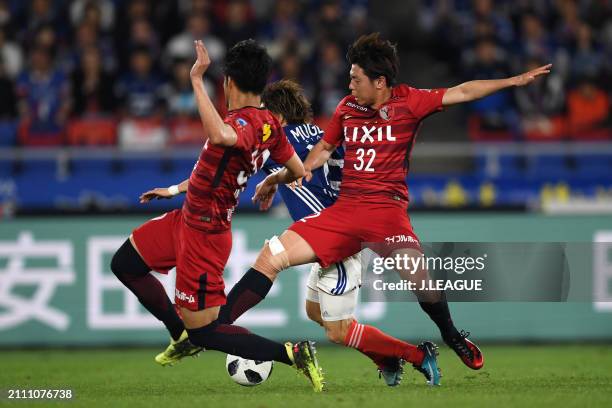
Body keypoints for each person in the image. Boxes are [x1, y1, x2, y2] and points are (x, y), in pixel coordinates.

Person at [221, 33, 552, 376]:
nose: (349, 85)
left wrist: (513, 81)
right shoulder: (347, 109)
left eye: (355, 78)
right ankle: (213, 330)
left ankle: (451, 335)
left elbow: (464, 91)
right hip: (346, 211)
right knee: (273, 256)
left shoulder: (411, 102)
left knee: (421, 279)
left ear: (379, 82)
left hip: (388, 212)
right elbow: (321, 149)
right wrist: (285, 176)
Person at [109, 39, 324, 392]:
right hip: (186, 216)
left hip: (204, 234)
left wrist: (195, 80)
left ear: (228, 83)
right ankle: (178, 332)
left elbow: (221, 136)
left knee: (206, 332)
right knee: (126, 263)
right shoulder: (269, 124)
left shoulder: (242, 123)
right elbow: (298, 169)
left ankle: (293, 353)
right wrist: (177, 190)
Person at [221, 79, 440, 386]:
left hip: (335, 242)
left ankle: (417, 355)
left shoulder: (277, 139)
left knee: (336, 329)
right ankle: (386, 357)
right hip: (331, 231)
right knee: (314, 311)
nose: (261, 122)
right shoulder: (318, 134)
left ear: (278, 118)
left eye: (264, 115)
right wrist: (273, 181)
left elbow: (236, 160)